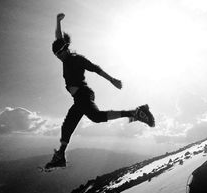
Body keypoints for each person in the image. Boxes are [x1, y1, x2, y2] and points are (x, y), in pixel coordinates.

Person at [45, 13, 155, 170]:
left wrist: (112, 80)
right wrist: (57, 21)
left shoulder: (77, 59)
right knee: (68, 125)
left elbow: (96, 69)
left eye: (60, 54)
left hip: (83, 94)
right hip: (78, 99)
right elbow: (58, 36)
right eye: (56, 56)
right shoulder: (65, 56)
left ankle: (134, 112)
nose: (59, 57)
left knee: (95, 117)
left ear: (66, 50)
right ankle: (60, 156)